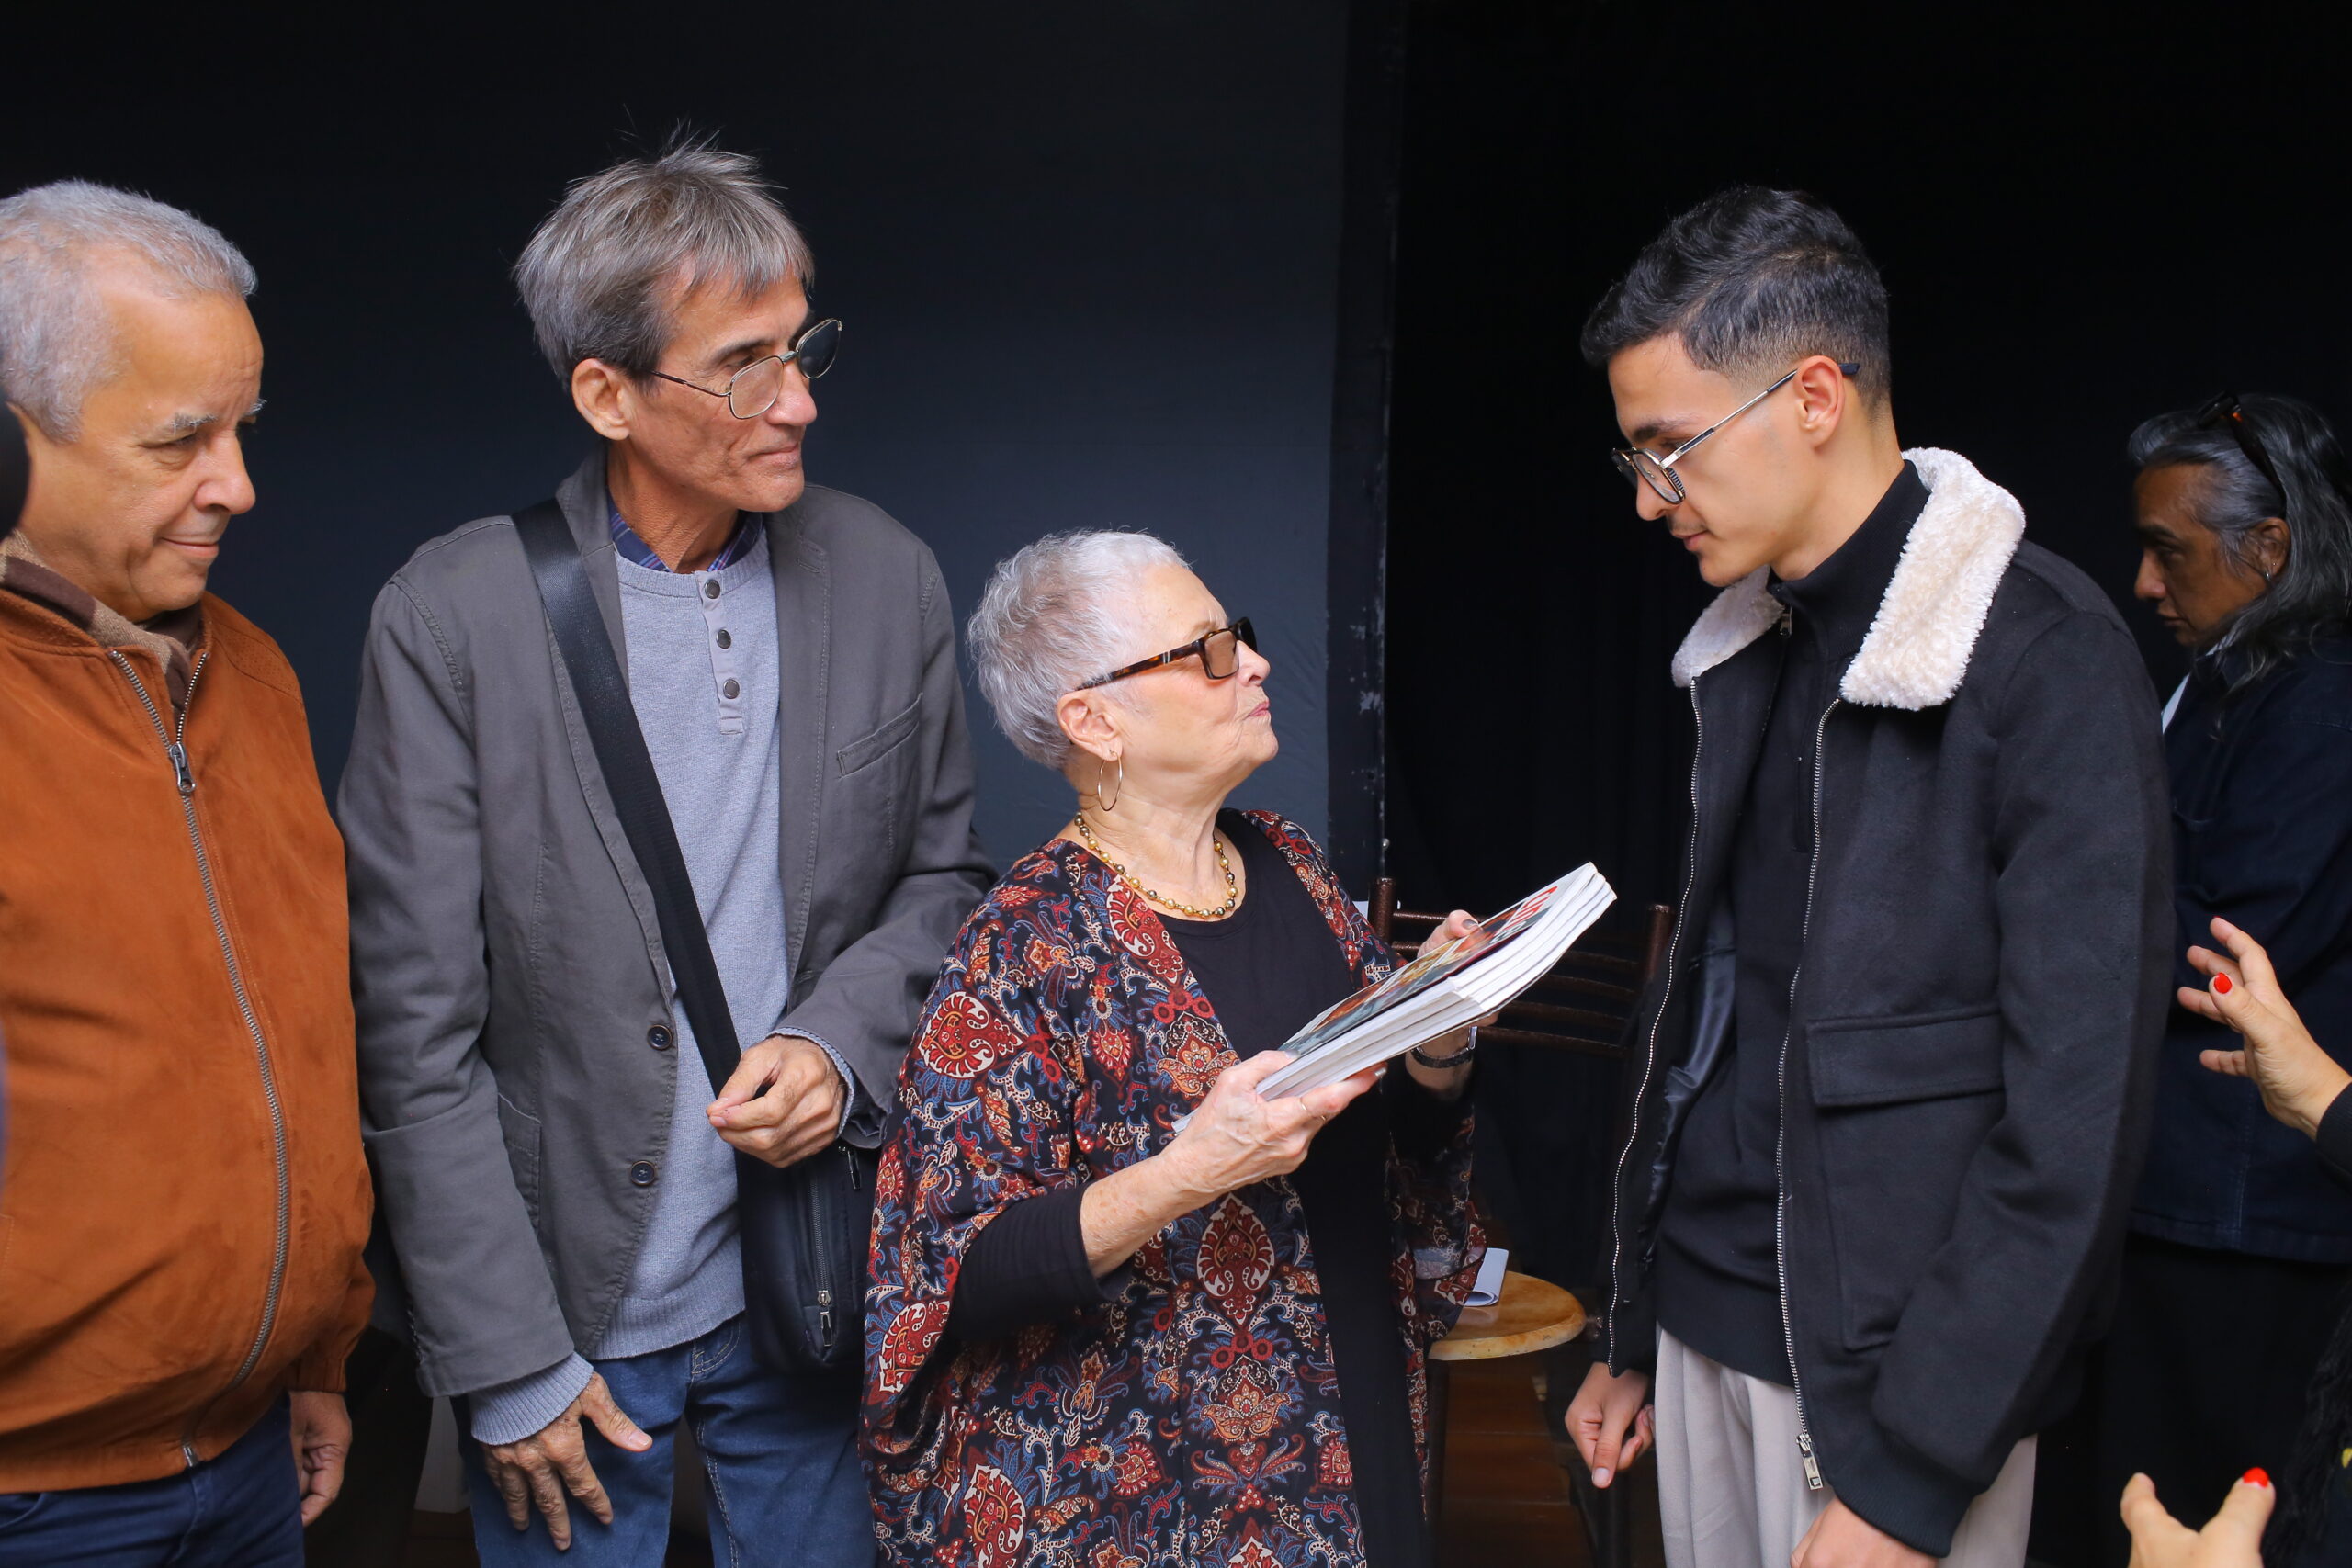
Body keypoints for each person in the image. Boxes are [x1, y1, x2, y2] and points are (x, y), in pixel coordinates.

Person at [344, 141, 992, 1566]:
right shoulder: (452, 615)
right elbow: (410, 1024)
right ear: (606, 394)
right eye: (743, 364)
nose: (799, 399)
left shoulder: (887, 572)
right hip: (564, 1315)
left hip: (809, 1279)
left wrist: (835, 1044)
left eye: (802, 347)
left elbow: (946, 879)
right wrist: (507, 1360)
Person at [1562, 186, 2171, 1568]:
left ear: (1815, 396)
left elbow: (2075, 1122)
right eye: (1633, 458)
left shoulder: (2045, 655)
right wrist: (1631, 1329)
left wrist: (1915, 1469)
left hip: (1892, 1387)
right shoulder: (1747, 642)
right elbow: (1707, 1025)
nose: (1650, 498)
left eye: (1670, 448)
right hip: (1698, 1331)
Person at [861, 530, 1485, 1568]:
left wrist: (1442, 1033)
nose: (1255, 663)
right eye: (1208, 651)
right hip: (1147, 1477)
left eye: (1237, 637)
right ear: (1095, 720)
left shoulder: (1290, 863)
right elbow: (958, 1271)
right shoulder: (1022, 943)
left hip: (1354, 1397)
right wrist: (1191, 1171)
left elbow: (1400, 1136)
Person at [0, 181, 373, 1563]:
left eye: (240, 429)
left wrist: (318, 1352)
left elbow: (304, 1039)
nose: (237, 485)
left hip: (252, 1460)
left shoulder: (254, 674)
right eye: (178, 441)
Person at [2064, 395, 2352, 1565]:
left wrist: (2049, 908)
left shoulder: (2322, 700)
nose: (2143, 583)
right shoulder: (2237, 680)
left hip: (2245, 1221)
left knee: (2195, 1511)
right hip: (2189, 1199)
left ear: (2269, 548)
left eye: (2167, 551)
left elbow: (2232, 946)